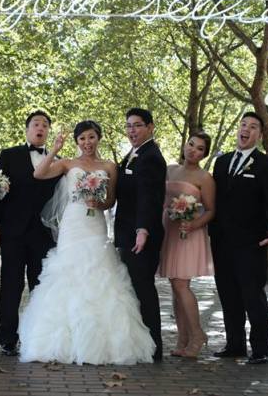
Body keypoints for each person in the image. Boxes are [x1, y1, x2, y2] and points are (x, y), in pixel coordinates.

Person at [19, 120, 155, 364]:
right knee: (69, 272)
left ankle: (103, 342)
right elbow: (38, 173)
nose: (87, 143)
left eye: (91, 137)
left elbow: (110, 200)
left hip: (95, 224)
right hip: (73, 223)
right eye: (82, 139)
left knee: (99, 271)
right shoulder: (67, 163)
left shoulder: (110, 166)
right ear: (76, 142)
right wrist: (54, 148)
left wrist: (98, 203)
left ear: (98, 138)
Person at [209, 111, 268, 365]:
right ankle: (235, 344)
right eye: (243, 125)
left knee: (252, 294)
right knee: (228, 293)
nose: (246, 129)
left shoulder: (267, 165)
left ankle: (262, 348)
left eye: (253, 127)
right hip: (221, 240)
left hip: (251, 242)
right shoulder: (221, 163)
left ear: (260, 135)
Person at [0, 110, 62, 356]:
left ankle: (37, 337)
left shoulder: (57, 161)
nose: (40, 128)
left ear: (48, 131)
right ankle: (8, 338)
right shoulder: (9, 155)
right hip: (12, 231)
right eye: (35, 124)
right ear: (27, 129)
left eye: (44, 125)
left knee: (39, 285)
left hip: (42, 235)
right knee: (10, 285)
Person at [114, 108, 167, 361]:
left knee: (144, 289)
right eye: (128, 126)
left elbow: (150, 197)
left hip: (140, 236)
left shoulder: (151, 157)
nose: (132, 130)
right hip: (127, 232)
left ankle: (154, 347)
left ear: (150, 127)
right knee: (135, 289)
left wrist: (142, 229)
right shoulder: (133, 155)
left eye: (137, 125)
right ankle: (142, 343)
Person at [158, 132, 215, 358]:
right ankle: (182, 338)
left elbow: (211, 210)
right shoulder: (170, 170)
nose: (193, 150)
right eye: (191, 144)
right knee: (174, 286)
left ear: (204, 154)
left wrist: (193, 225)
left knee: (182, 285)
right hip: (169, 231)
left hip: (189, 232)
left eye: (199, 148)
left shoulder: (205, 178)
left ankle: (198, 334)